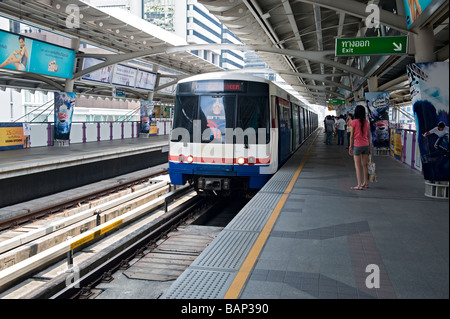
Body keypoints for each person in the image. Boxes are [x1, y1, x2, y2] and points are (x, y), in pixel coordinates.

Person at [349, 105, 372, 190]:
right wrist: (370, 148)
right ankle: (365, 183)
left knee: (357, 166)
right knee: (365, 165)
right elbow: (369, 136)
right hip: (366, 145)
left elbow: (351, 136)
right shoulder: (366, 122)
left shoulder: (353, 122)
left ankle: (359, 185)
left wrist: (350, 147)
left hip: (357, 146)